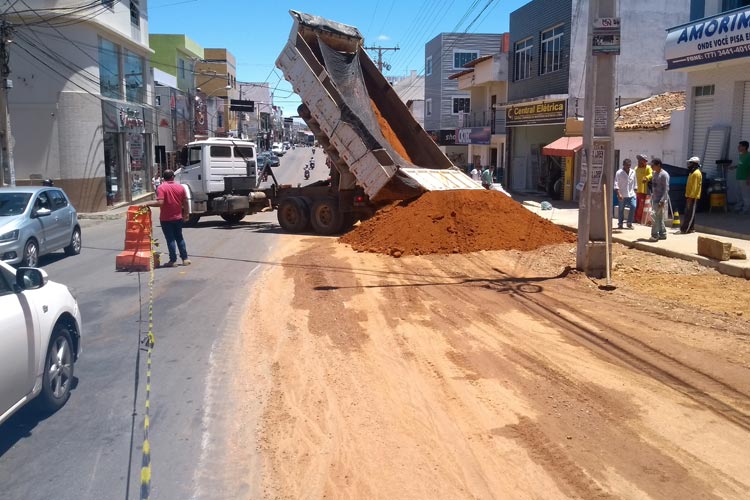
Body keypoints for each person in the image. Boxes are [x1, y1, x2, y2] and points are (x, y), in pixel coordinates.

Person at [142, 169, 191, 267]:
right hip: (178, 217)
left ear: (163, 178)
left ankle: (173, 261)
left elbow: (160, 203)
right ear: (173, 177)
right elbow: (185, 202)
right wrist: (186, 214)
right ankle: (185, 259)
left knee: (170, 240)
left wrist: (147, 203)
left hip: (166, 219)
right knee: (179, 238)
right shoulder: (180, 187)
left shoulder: (161, 188)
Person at [649, 158, 670, 242]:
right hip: (655, 198)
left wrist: (662, 200)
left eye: (653, 165)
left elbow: (666, 189)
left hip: (660, 200)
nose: (651, 167)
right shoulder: (654, 173)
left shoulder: (664, 175)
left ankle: (654, 235)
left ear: (658, 165)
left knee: (654, 217)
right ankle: (662, 234)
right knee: (659, 217)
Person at [681, 156, 702, 234]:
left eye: (690, 163)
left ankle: (686, 229)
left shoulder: (696, 173)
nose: (688, 165)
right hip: (689, 196)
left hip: (692, 197)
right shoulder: (692, 172)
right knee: (688, 212)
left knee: (690, 213)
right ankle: (691, 228)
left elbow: (695, 187)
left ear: (694, 164)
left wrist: (690, 197)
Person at [729, 140, 750, 214]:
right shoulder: (741, 155)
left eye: (740, 146)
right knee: (738, 193)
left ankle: (746, 209)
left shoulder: (748, 156)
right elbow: (741, 165)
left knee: (745, 195)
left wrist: (748, 178)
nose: (738, 147)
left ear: (744, 147)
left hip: (745, 178)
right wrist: (734, 167)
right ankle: (739, 207)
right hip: (739, 177)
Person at [614, 158, 637, 229]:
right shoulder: (619, 173)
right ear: (623, 165)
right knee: (621, 209)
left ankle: (629, 223)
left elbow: (635, 183)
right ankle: (620, 223)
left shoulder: (633, 172)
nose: (628, 167)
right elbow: (616, 184)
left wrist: (635, 191)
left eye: (629, 165)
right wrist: (618, 193)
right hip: (622, 194)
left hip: (631, 194)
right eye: (627, 165)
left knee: (633, 206)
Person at [634, 153, 653, 224]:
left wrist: (647, 178)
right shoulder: (636, 168)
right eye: (638, 160)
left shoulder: (648, 168)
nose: (639, 162)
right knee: (636, 205)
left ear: (644, 161)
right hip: (636, 190)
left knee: (642, 206)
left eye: (641, 160)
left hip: (644, 190)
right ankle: (635, 218)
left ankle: (640, 219)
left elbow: (651, 174)